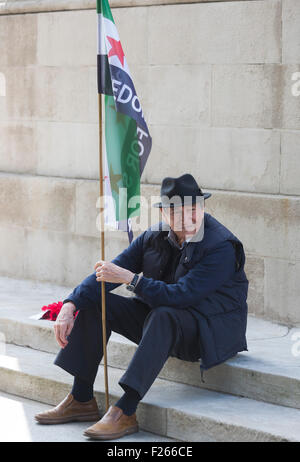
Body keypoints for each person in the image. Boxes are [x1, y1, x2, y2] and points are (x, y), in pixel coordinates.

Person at [35, 173, 249, 440]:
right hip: (163, 323)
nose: (192, 218)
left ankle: (125, 410)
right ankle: (81, 398)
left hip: (208, 332)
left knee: (164, 314)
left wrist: (131, 279)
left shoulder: (221, 246)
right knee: (96, 300)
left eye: (196, 209)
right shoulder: (154, 236)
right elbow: (108, 273)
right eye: (182, 212)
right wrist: (70, 303)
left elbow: (181, 296)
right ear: (166, 213)